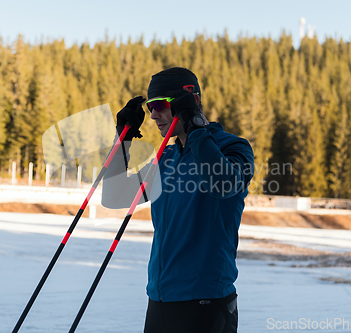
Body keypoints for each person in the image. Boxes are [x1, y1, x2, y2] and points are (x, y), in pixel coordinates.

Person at [102, 67, 254, 333]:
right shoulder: (167, 158)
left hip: (206, 303)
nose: (153, 115)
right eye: (149, 107)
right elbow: (114, 195)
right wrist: (123, 140)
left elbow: (224, 184)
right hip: (160, 298)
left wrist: (196, 126)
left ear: (188, 102)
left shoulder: (233, 148)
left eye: (159, 105)